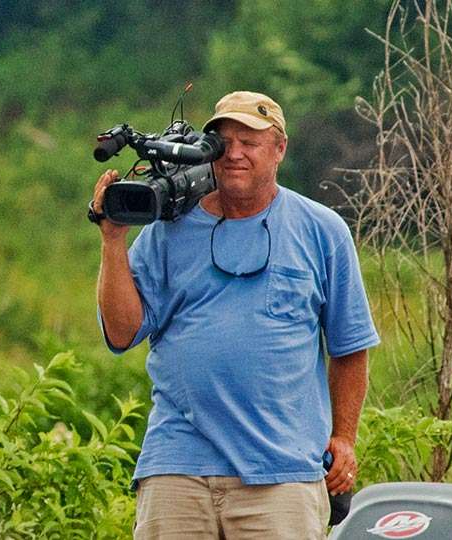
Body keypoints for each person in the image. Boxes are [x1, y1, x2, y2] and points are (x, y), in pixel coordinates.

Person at [92, 91, 379, 539]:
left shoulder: (322, 231)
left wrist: (344, 438)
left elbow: (351, 347)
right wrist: (113, 240)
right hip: (177, 465)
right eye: (224, 142)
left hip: (281, 471)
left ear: (280, 149)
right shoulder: (169, 230)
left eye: (251, 141)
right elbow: (122, 332)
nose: (236, 153)